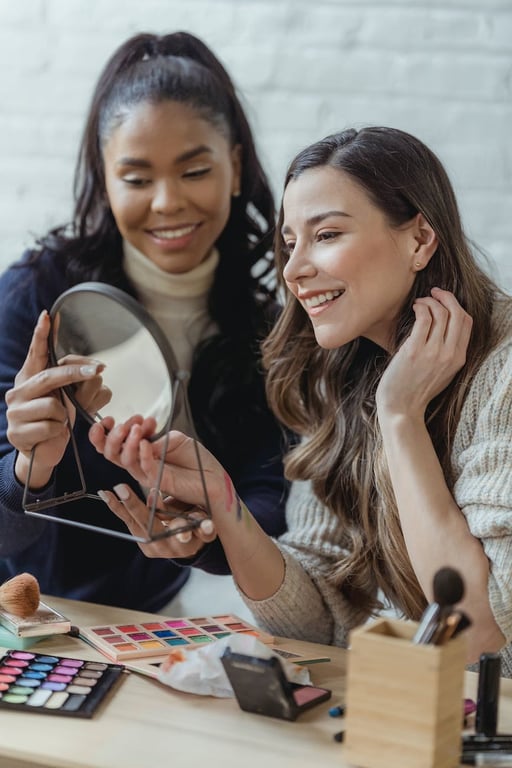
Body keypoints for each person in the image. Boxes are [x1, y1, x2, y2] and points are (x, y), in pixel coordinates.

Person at [90, 125, 512, 674]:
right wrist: (224, 503)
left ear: (419, 239)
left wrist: (400, 416)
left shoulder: (501, 372)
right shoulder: (343, 372)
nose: (293, 270)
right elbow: (315, 622)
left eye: (327, 235)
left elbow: (475, 627)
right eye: (290, 243)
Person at [0, 32, 289, 611]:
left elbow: (268, 502)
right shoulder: (37, 293)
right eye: (136, 178)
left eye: (193, 170)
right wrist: (30, 466)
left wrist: (204, 532)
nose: (166, 202)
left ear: (233, 167)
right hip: (32, 620)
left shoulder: (267, 328)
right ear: (106, 181)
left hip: (153, 625)